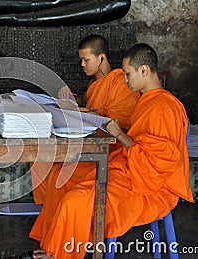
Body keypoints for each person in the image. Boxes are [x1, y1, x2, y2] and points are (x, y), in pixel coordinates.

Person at [28, 43, 194, 259]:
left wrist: (119, 135)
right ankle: (53, 244)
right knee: (61, 179)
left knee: (76, 200)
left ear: (143, 70)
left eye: (128, 74)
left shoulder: (163, 107)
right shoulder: (148, 101)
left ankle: (59, 254)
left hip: (150, 185)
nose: (125, 80)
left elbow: (160, 163)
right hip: (131, 166)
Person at [31, 34, 140, 204]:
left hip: (111, 149)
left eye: (86, 60)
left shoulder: (120, 83)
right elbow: (88, 103)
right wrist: (70, 100)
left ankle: (62, 211)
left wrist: (74, 110)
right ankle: (49, 210)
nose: (82, 64)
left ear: (101, 57)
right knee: (39, 161)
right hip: (86, 141)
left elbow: (115, 125)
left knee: (54, 170)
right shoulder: (93, 85)